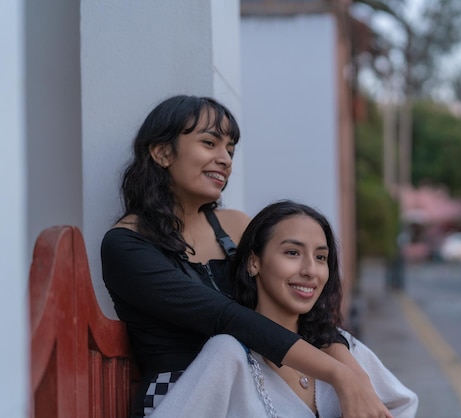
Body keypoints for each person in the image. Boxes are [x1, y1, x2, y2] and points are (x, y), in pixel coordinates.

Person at [100, 95, 392, 418]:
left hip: (257, 390)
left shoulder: (235, 227)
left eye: (230, 149)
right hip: (182, 397)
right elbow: (224, 317)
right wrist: (337, 374)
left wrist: (355, 376)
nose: (225, 159)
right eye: (209, 143)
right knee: (227, 347)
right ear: (162, 152)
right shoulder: (126, 245)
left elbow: (298, 313)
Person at [150, 200, 419, 417]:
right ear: (254, 262)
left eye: (321, 257)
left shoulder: (341, 347)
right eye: (292, 253)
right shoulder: (228, 354)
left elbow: (404, 405)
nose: (310, 271)